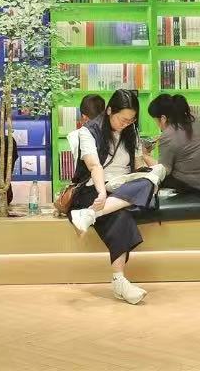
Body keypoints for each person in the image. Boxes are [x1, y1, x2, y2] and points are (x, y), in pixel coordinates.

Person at [66, 90, 163, 305]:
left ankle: (89, 215)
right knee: (121, 218)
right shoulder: (88, 131)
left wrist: (151, 168)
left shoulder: (130, 132)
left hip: (122, 188)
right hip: (94, 188)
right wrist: (102, 193)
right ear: (110, 110)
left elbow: (136, 165)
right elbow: (94, 166)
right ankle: (119, 281)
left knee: (151, 178)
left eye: (131, 120)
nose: (126, 124)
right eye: (123, 119)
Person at [148, 94, 200, 194]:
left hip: (194, 186)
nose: (158, 125)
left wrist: (144, 155)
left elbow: (164, 170)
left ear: (163, 118)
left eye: (156, 121)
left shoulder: (168, 134)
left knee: (150, 178)